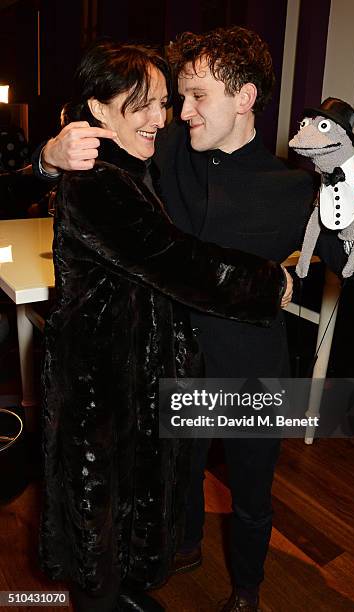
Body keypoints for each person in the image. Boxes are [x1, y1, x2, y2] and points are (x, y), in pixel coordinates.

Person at [34, 27, 354, 612]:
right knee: (178, 479)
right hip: (169, 369)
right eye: (178, 97)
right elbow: (99, 149)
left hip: (250, 373)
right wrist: (50, 155)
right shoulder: (167, 150)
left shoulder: (299, 186)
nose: (181, 111)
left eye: (197, 96)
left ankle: (246, 589)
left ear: (245, 97)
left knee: (251, 493)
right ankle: (184, 549)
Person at [38, 40, 292, 612]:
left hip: (167, 376)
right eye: (147, 104)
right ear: (99, 112)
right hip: (101, 390)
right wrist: (47, 156)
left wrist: (351, 179)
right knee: (95, 518)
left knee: (134, 504)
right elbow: (179, 261)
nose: (166, 116)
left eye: (168, 102)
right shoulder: (100, 179)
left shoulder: (147, 161)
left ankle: (178, 587)